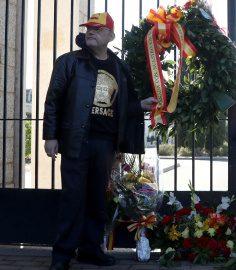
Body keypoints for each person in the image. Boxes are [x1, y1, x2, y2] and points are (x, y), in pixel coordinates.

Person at [43, 12, 158, 270]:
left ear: (110, 35)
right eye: (88, 28)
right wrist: (50, 136)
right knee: (73, 199)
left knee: (96, 200)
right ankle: (61, 256)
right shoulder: (68, 62)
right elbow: (53, 100)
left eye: (97, 28)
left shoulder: (118, 66)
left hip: (105, 144)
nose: (90, 31)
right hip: (75, 141)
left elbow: (121, 108)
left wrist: (140, 105)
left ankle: (90, 250)